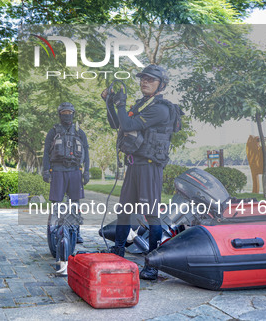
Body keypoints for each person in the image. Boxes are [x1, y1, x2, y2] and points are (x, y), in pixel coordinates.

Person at [103, 64, 179, 281]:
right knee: (124, 211)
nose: (144, 82)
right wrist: (110, 102)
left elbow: (128, 124)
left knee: (151, 214)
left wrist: (121, 104)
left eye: (150, 79)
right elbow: (116, 123)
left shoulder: (160, 108)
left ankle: (152, 264)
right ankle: (118, 252)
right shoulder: (142, 104)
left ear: (161, 85)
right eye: (143, 78)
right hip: (134, 165)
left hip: (149, 167)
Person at [42, 102, 90, 244]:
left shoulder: (80, 132)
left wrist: (86, 172)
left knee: (75, 203)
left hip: (75, 171)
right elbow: (46, 152)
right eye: (64, 113)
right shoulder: (53, 131)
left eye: (69, 112)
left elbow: (86, 153)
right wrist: (46, 171)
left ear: (73, 114)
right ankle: (54, 230)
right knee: (57, 203)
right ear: (60, 115)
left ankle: (76, 231)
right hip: (57, 171)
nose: (67, 115)